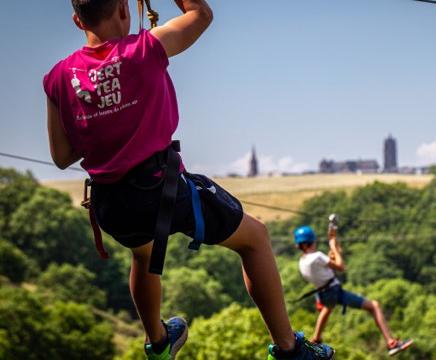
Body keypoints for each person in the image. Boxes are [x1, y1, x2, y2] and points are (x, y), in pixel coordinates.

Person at [44, 1, 334, 359]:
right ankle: (290, 350)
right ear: (123, 8)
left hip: (112, 204)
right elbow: (201, 14)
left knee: (143, 254)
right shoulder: (144, 49)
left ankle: (158, 342)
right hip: (160, 190)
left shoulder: (58, 77)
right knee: (255, 238)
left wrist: (101, 119)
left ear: (77, 20)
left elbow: (61, 156)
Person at [295, 224, 413, 356]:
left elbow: (324, 269)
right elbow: (340, 267)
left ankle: (316, 340)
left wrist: (334, 252)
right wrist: (334, 247)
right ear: (311, 242)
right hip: (333, 291)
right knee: (374, 306)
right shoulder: (317, 256)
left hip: (324, 293)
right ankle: (391, 342)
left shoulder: (302, 262)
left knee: (328, 309)